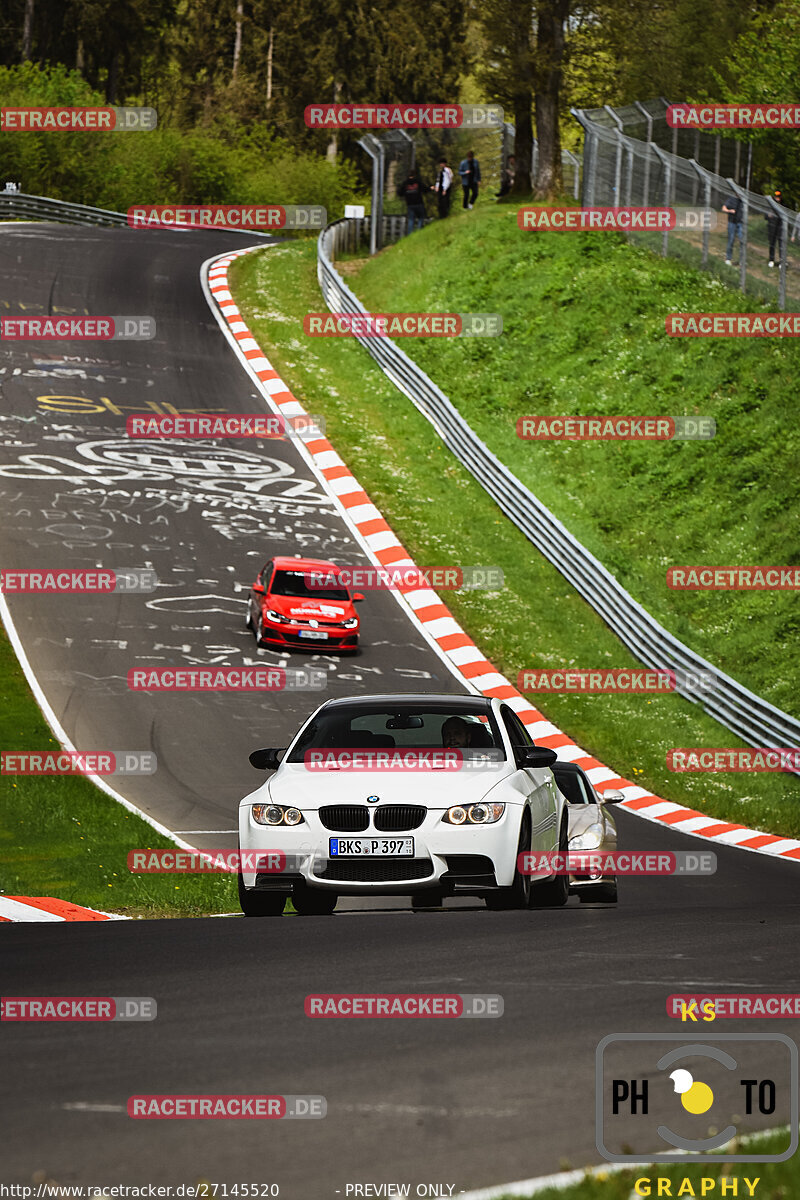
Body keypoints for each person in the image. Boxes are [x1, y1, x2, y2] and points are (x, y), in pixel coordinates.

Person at [398, 168, 427, 234]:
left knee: (411, 219)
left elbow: (400, 192)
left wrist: (405, 194)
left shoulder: (405, 183)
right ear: (415, 175)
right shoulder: (417, 182)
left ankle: (410, 233)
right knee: (421, 217)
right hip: (418, 202)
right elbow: (424, 189)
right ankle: (419, 231)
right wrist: (430, 188)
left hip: (410, 204)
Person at [721, 193, 743, 265]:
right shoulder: (731, 199)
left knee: (742, 241)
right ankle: (728, 258)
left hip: (741, 223)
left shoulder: (743, 201)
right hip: (732, 222)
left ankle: (741, 260)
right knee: (731, 240)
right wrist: (729, 211)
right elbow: (723, 208)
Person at [764, 189, 784, 267]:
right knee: (772, 244)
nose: (777, 199)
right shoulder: (770, 205)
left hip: (780, 228)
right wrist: (768, 215)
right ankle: (771, 260)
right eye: (776, 197)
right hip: (772, 227)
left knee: (781, 245)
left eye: (778, 197)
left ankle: (781, 261)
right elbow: (765, 216)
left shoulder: (782, 205)